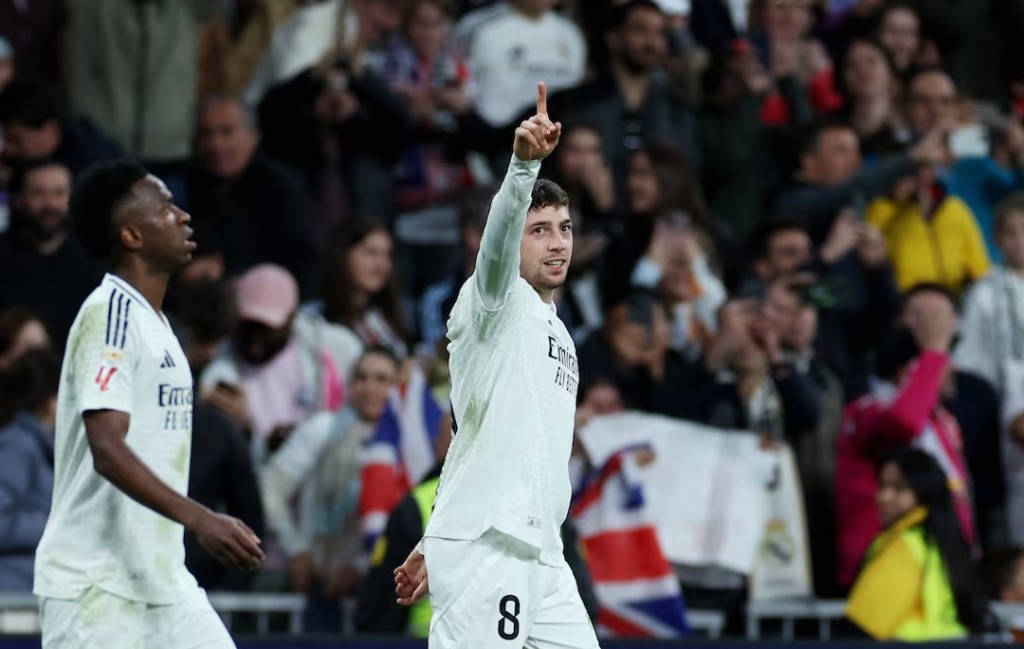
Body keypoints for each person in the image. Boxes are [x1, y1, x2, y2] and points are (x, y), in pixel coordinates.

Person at [394, 83, 599, 648]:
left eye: (564, 228)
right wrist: (521, 170)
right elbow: (497, 241)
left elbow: (473, 437)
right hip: (492, 547)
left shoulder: (559, 333)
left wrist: (432, 541)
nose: (556, 244)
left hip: (542, 550)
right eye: (539, 231)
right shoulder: (493, 300)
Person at [33, 159, 264, 647]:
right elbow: (107, 449)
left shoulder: (156, 324)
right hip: (96, 588)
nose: (182, 216)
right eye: (164, 207)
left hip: (162, 582)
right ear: (132, 236)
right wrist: (201, 518)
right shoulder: (110, 315)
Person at [845, 448, 978, 640]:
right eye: (882, 486)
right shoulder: (942, 542)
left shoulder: (905, 546)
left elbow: (864, 626)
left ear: (924, 492)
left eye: (899, 488)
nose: (883, 497)